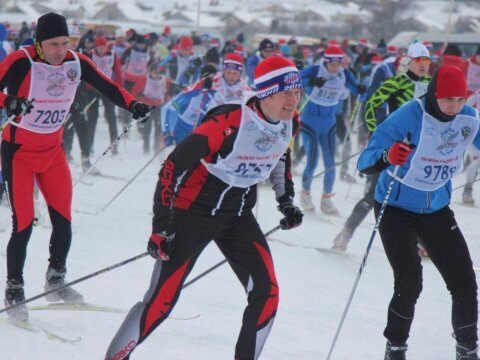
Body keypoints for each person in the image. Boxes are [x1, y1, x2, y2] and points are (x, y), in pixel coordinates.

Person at [105, 56, 304, 360]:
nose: (294, 101)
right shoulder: (229, 122)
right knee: (162, 300)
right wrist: (161, 227)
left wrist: (285, 200)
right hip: (192, 214)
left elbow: (279, 156)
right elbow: (173, 165)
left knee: (267, 293)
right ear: (266, 93)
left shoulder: (290, 120)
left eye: (297, 92)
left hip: (237, 216)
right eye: (286, 93)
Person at [0, 13, 151, 321]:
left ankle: (56, 279)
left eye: (64, 43)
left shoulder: (76, 62)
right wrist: (8, 103)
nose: (60, 50)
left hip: (53, 152)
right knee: (24, 223)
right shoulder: (21, 61)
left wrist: (133, 105)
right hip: (19, 153)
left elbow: (108, 86)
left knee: (64, 219)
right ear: (39, 44)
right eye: (53, 44)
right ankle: (14, 289)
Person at [358, 65, 479, 360]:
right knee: (410, 281)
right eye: (448, 99)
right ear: (434, 94)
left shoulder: (469, 118)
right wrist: (388, 156)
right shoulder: (408, 116)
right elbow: (365, 161)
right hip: (396, 207)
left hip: (436, 208)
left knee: (464, 281)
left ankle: (468, 350)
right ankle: (395, 347)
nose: (454, 107)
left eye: (460, 99)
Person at [332, 42, 431, 252]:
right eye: (419, 60)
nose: (423, 65)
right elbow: (371, 103)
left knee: (418, 195)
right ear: (409, 62)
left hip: (421, 151)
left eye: (427, 60)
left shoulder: (432, 85)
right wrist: (375, 132)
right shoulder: (397, 82)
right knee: (374, 195)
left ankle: (420, 241)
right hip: (395, 149)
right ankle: (346, 232)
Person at [298, 46, 362, 215]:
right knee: (312, 161)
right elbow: (294, 81)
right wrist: (311, 82)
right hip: (310, 122)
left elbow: (356, 88)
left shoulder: (344, 74)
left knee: (330, 163)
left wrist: (361, 89)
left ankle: (326, 199)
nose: (336, 67)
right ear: (326, 62)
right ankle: (305, 194)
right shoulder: (314, 70)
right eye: (333, 64)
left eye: (339, 63)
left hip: (329, 123)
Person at [86, 36, 123, 155]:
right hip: (93, 90)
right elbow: (85, 72)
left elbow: (118, 72)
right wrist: (88, 87)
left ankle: (115, 146)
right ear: (95, 46)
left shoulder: (112, 55)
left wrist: (119, 89)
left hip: (108, 89)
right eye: (100, 47)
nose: (102, 49)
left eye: (104, 47)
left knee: (111, 117)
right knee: (92, 118)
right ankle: (89, 145)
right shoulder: (90, 54)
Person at [131, 62, 173, 153]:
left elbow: (169, 93)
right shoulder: (144, 80)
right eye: (155, 72)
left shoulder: (166, 81)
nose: (157, 75)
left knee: (159, 126)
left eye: (159, 72)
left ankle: (156, 148)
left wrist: (168, 100)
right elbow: (134, 92)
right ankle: (146, 148)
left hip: (158, 106)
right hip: (145, 106)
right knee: (147, 126)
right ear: (151, 72)